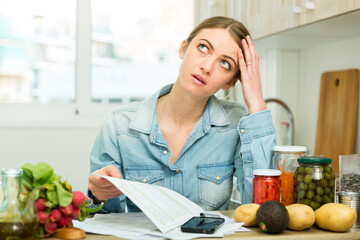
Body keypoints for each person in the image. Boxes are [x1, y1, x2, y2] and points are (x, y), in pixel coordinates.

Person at [87, 16, 276, 212]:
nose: (207, 67)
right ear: (183, 48)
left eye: (225, 64)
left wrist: (256, 103)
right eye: (203, 48)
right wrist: (98, 196)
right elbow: (105, 220)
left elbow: (262, 208)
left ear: (229, 82)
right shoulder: (119, 126)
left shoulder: (237, 124)